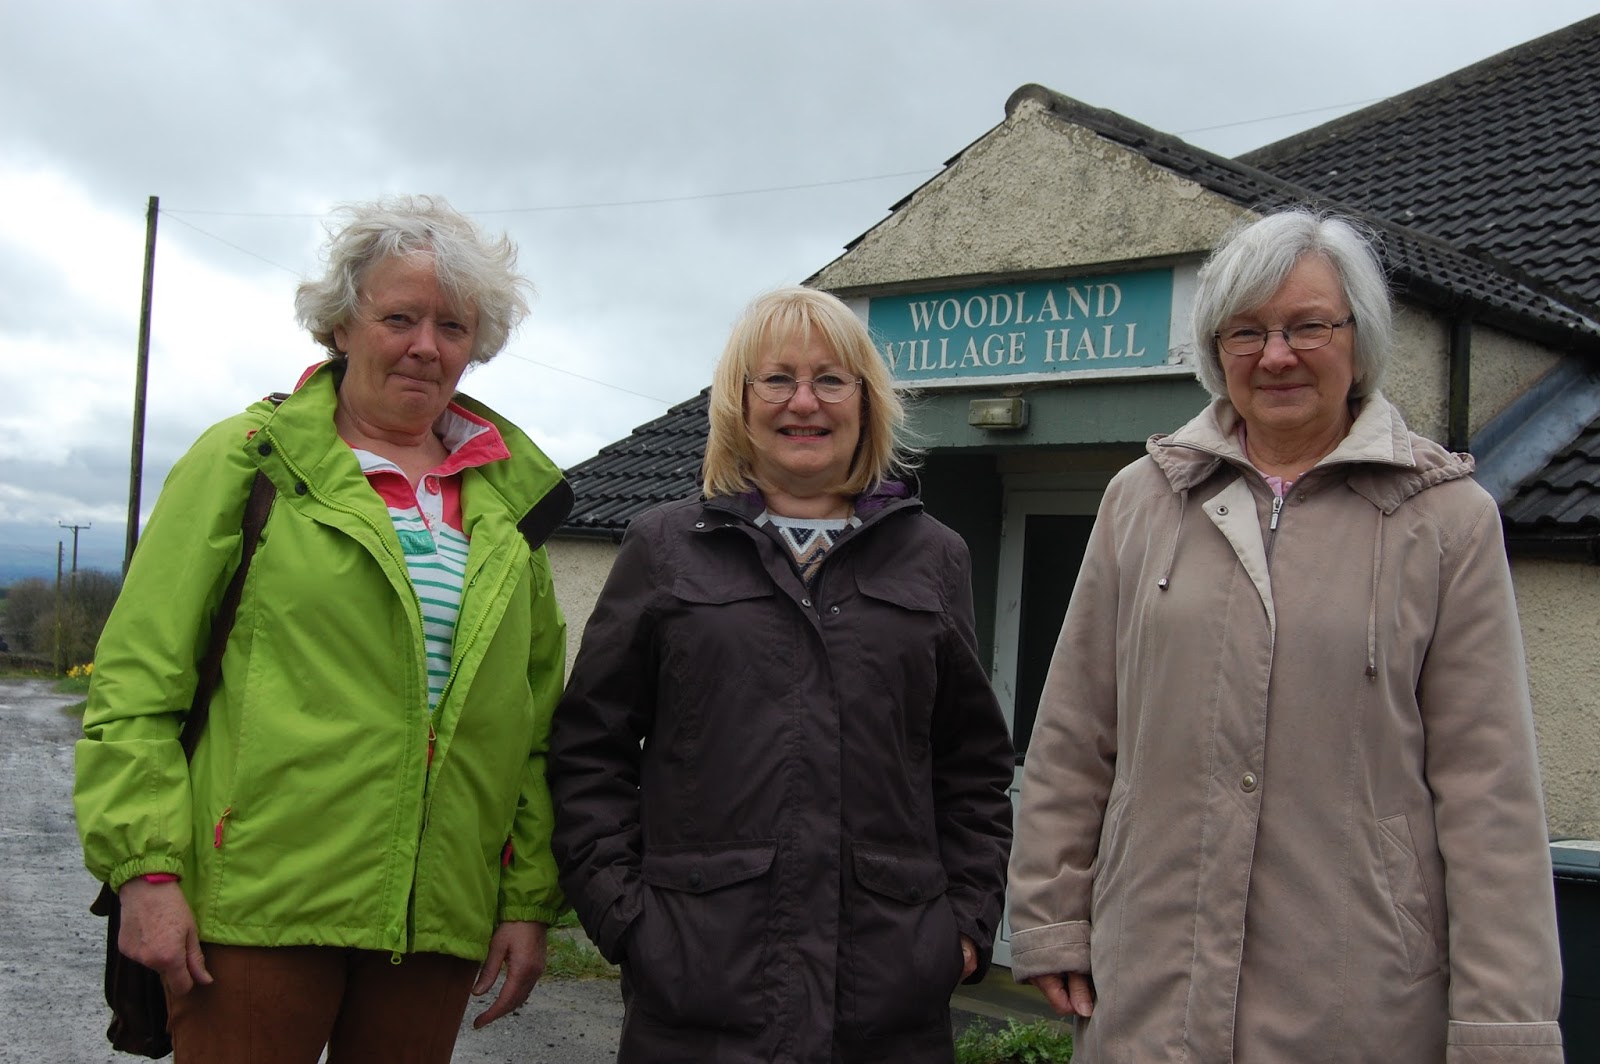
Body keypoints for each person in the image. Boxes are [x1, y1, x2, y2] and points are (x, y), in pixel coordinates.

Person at [1007, 208, 1566, 1062]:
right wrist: (1051, 916)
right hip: (1150, 987)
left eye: (1309, 326)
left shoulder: (1446, 520)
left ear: (1359, 338)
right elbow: (1075, 733)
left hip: (1358, 1002)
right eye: (1247, 331)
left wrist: (1503, 1028)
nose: (1276, 356)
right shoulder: (1141, 500)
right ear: (1216, 348)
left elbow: (1490, 796)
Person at [74, 195, 574, 1062]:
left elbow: (531, 731)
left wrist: (527, 900)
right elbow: (137, 683)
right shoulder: (248, 458)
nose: (426, 346)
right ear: (342, 324)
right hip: (258, 906)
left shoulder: (506, 504)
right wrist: (146, 872)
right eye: (399, 318)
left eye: (453, 326)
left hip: (433, 919)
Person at [549, 286, 1014, 1063]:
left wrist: (963, 925)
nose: (805, 402)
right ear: (740, 400)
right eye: (777, 379)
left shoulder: (935, 557)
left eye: (830, 379)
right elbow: (588, 750)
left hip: (887, 997)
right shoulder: (665, 548)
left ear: (865, 401)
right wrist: (625, 918)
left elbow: (971, 766)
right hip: (700, 991)